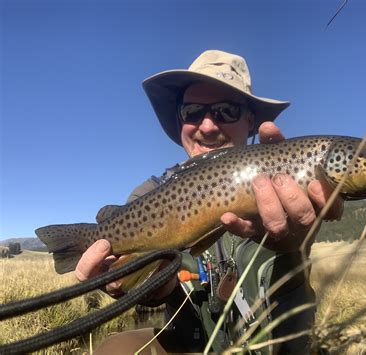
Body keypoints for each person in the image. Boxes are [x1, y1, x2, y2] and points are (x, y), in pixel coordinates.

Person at [76, 50, 344, 354]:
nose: (207, 126)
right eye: (192, 112)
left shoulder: (289, 185)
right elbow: (141, 284)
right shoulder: (149, 194)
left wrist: (293, 250)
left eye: (225, 110)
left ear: (251, 121)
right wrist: (145, 284)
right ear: (180, 121)